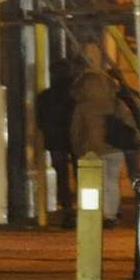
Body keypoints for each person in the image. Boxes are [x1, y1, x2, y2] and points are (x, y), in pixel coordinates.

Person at [71, 68, 134, 224]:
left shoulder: (83, 107)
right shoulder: (117, 104)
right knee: (112, 182)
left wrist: (78, 148)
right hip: (115, 149)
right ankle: (110, 215)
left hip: (91, 151)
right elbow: (129, 125)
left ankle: (94, 214)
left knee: (93, 184)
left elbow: (76, 131)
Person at [34, 65, 77, 225]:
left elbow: (40, 119)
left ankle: (67, 207)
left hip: (55, 140)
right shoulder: (74, 96)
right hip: (73, 139)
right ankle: (83, 206)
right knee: (82, 173)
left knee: (62, 175)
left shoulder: (45, 96)